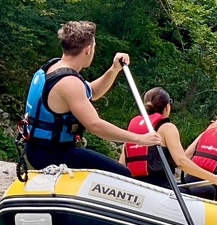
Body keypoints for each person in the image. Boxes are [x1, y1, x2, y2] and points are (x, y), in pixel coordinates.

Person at [20, 21, 161, 176]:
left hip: (36, 148)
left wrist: (114, 69)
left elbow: (92, 92)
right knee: (122, 174)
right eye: (94, 47)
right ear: (88, 49)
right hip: (52, 154)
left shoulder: (53, 67)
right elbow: (95, 125)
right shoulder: (69, 82)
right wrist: (140, 139)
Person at [118, 87, 217, 191]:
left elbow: (122, 164)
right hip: (160, 188)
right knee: (208, 190)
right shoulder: (167, 128)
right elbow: (181, 162)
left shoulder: (133, 127)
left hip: (135, 184)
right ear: (167, 107)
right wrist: (214, 178)